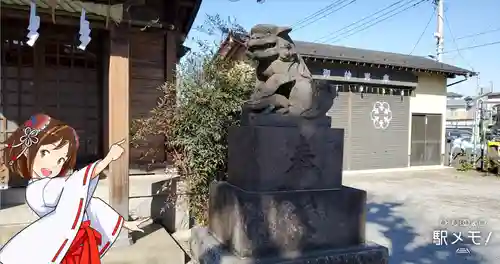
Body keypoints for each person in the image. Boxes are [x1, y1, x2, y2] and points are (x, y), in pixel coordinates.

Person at [0, 114, 146, 264]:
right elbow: (73, 186)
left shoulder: (57, 185)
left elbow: (90, 204)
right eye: (45, 152)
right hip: (64, 246)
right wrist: (107, 160)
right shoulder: (37, 189)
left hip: (78, 241)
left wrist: (124, 224)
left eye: (60, 160)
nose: (52, 165)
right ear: (27, 151)